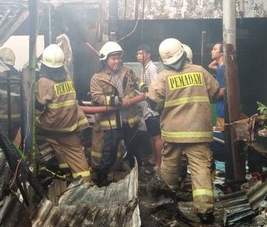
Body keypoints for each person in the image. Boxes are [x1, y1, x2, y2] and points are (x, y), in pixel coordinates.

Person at [147, 38, 221, 224]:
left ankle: (163, 203)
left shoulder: (163, 76)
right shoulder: (200, 71)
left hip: (173, 134)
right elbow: (216, 93)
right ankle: (205, 212)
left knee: (170, 170)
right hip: (198, 133)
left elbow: (153, 101)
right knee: (200, 171)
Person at [90, 41, 147, 186]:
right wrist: (113, 100)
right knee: (108, 154)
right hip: (112, 124)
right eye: (113, 58)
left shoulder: (127, 71)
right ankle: (101, 181)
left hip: (130, 120)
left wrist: (143, 87)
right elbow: (97, 97)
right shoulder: (97, 78)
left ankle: (138, 177)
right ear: (105, 60)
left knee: (134, 150)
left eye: (118, 58)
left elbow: (137, 81)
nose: (116, 61)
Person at [35, 44, 91, 181]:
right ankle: (85, 183)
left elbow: (39, 109)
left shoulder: (44, 82)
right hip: (69, 128)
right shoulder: (68, 79)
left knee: (22, 131)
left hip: (47, 127)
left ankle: (19, 165)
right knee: (76, 153)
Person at [136, 44, 162, 172]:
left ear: (148, 55)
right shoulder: (143, 68)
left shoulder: (152, 68)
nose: (138, 56)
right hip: (146, 108)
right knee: (152, 135)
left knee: (157, 136)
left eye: (141, 53)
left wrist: (145, 96)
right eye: (137, 54)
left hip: (152, 108)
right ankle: (153, 157)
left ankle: (159, 163)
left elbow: (156, 87)